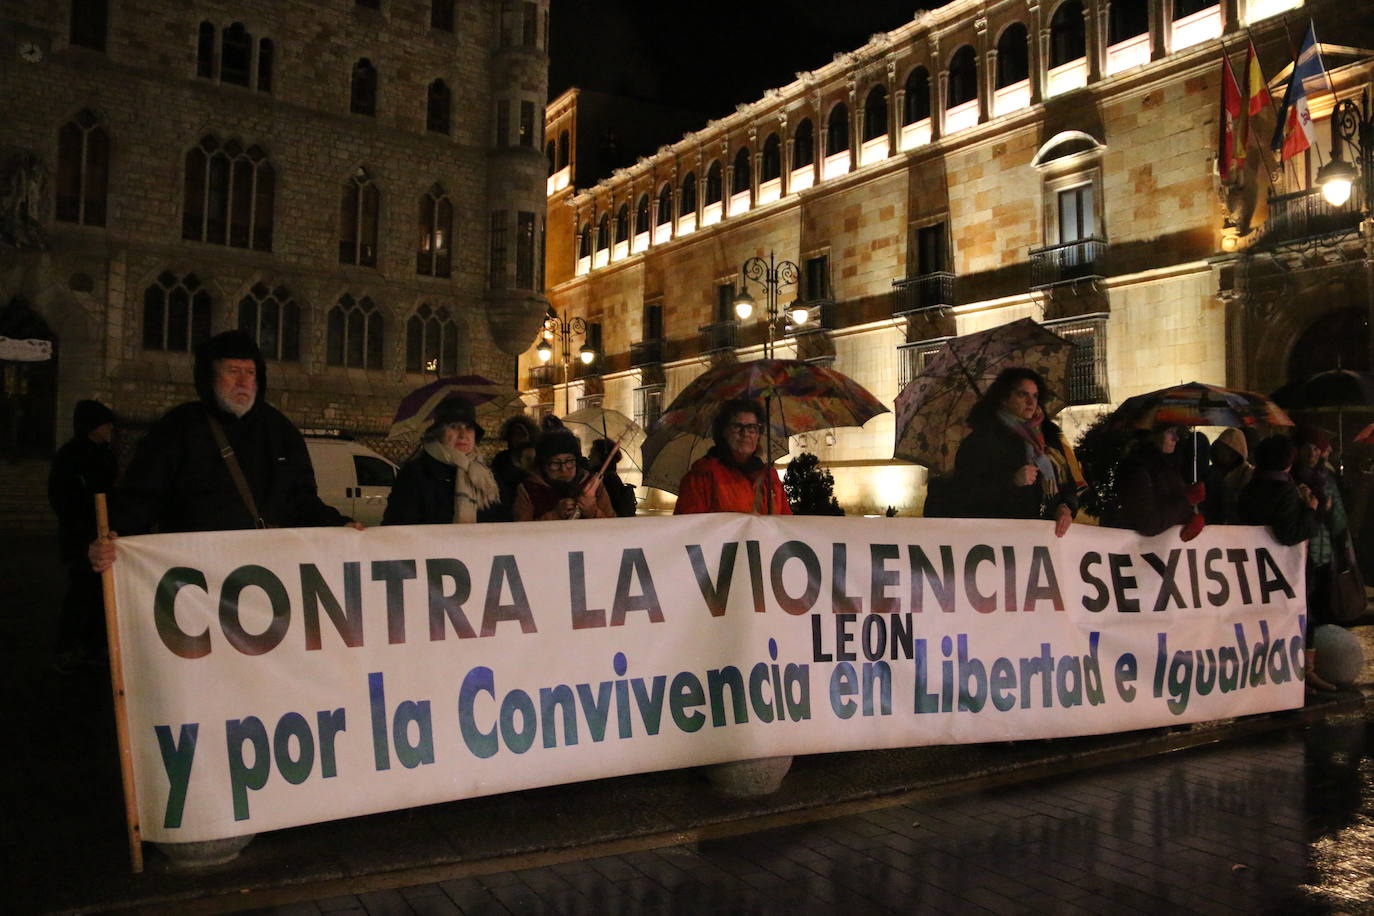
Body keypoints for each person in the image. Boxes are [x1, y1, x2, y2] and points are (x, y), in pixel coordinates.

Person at [89, 330, 358, 572]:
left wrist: (339, 526)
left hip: (270, 571)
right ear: (210, 377)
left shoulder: (280, 430)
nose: (242, 381)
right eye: (232, 371)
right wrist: (115, 538)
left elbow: (302, 501)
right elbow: (142, 499)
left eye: (250, 373)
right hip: (198, 573)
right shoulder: (178, 428)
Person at [1238, 435, 1330, 692]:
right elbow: (1289, 533)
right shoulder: (1284, 491)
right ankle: (1294, 677)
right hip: (1285, 571)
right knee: (1296, 619)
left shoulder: (1250, 488)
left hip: (1254, 569)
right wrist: (1311, 510)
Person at [949, 368, 1079, 536]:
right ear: (1004, 399)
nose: (1031, 402)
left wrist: (1066, 507)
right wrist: (1011, 480)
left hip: (1048, 537)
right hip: (1005, 538)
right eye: (1022, 395)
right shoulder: (981, 441)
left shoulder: (1050, 437)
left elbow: (1069, 483)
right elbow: (967, 492)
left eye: (1035, 396)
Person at [48, 399, 118, 671]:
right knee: (80, 593)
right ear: (92, 426)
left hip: (103, 532)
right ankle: (65, 647)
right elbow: (63, 496)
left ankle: (93, 645)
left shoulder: (105, 454)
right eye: (104, 424)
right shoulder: (71, 456)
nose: (109, 429)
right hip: (80, 535)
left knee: (99, 594)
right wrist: (82, 527)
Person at [383, 398, 506, 525]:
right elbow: (396, 525)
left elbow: (504, 522)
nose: (463, 435)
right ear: (439, 433)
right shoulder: (416, 473)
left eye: (468, 428)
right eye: (454, 427)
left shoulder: (488, 476)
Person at [674, 397, 791, 515]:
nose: (745, 434)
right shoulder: (703, 475)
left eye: (752, 428)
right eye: (737, 427)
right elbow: (689, 527)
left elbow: (785, 523)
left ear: (758, 434)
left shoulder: (770, 477)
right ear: (723, 432)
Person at [1106, 426, 1206, 539]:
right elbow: (1149, 523)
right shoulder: (1137, 470)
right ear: (1153, 435)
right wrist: (1186, 500)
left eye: (1176, 432)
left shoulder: (1167, 465)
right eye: (1170, 432)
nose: (1176, 438)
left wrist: (1191, 517)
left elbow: (1167, 506)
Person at [513, 430, 613, 521]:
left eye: (569, 461)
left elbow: (614, 527)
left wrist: (593, 512)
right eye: (555, 463)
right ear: (543, 465)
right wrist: (554, 515)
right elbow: (522, 532)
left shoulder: (592, 484)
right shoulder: (529, 489)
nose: (563, 469)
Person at [1202, 427, 1253, 525]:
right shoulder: (1211, 472)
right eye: (1219, 448)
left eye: (1225, 449)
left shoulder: (1247, 473)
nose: (1221, 452)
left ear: (1236, 451)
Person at [491, 414, 540, 511]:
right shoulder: (501, 458)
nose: (519, 438)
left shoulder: (537, 457)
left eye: (522, 433)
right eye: (515, 434)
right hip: (505, 507)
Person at [589, 437, 637, 517]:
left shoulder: (607, 479)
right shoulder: (607, 476)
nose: (589, 456)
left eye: (593, 453)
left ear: (602, 457)